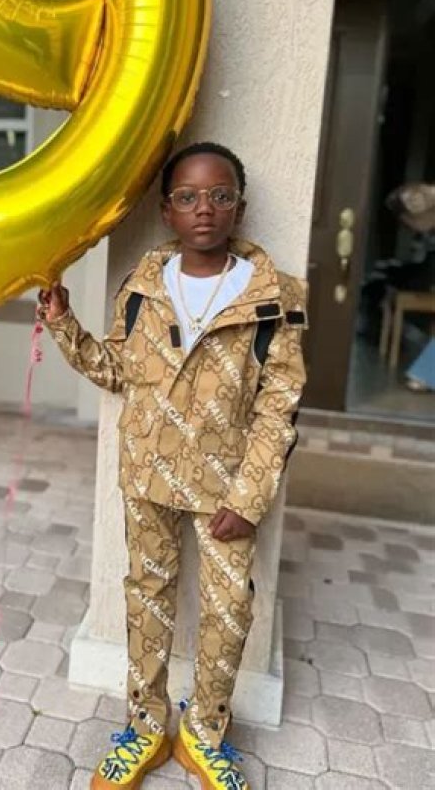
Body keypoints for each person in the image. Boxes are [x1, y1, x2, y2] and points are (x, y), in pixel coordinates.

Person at [38, 142, 308, 790]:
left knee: (228, 612)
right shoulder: (143, 287)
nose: (203, 209)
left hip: (226, 490)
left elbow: (279, 407)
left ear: (239, 206)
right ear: (167, 211)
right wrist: (63, 324)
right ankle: (145, 726)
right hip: (149, 477)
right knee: (147, 599)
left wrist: (248, 498)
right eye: (187, 197)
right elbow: (117, 370)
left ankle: (204, 734)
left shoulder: (274, 298)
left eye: (219, 195)